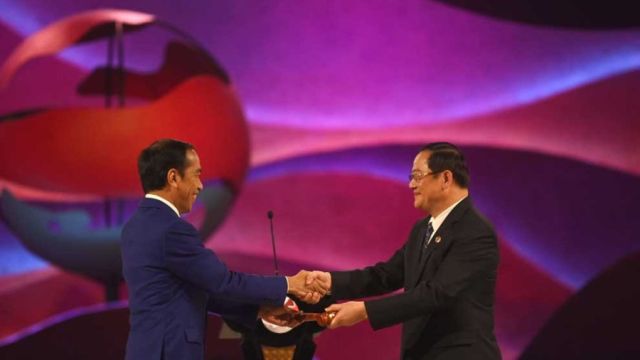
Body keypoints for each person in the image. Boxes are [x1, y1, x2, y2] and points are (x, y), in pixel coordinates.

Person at [121, 139, 326, 360]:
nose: (200, 185)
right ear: (173, 177)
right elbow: (223, 282)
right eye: (197, 174)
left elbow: (192, 292)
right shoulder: (173, 230)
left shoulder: (134, 227)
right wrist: (289, 284)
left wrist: (259, 310)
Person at [308, 142, 501, 359]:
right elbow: (386, 276)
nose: (411, 184)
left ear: (445, 179)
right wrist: (331, 282)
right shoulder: (422, 229)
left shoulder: (474, 230)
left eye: (418, 176)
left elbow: (436, 294)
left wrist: (364, 312)